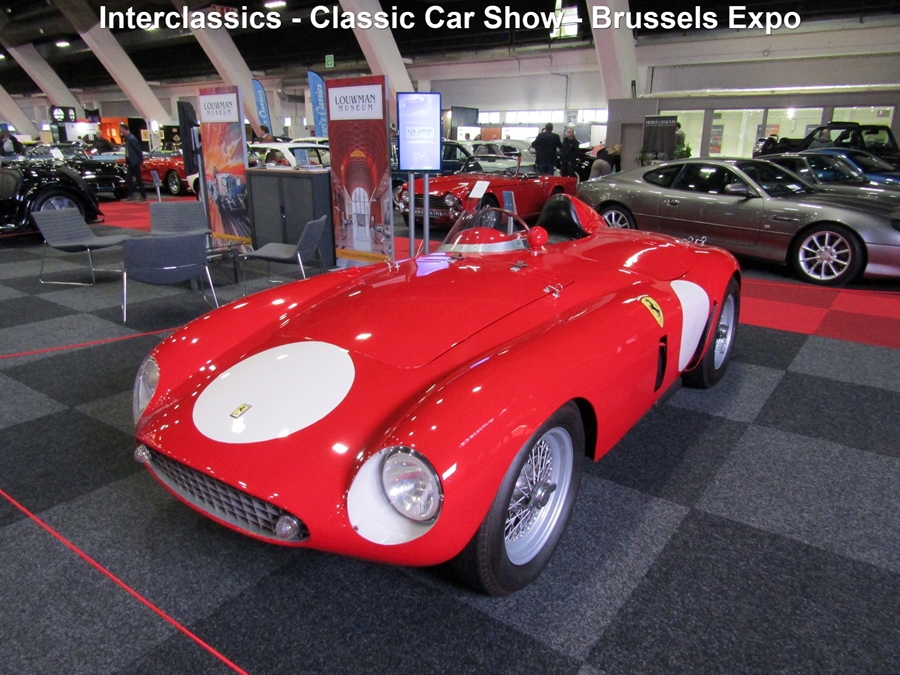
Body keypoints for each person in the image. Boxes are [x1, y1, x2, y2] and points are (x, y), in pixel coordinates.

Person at [120, 124, 146, 201]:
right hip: (131, 162)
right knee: (128, 178)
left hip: (135, 162)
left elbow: (138, 150)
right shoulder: (128, 139)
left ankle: (143, 196)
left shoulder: (132, 139)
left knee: (138, 179)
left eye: (121, 130)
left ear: (125, 129)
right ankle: (131, 195)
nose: (121, 132)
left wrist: (141, 161)